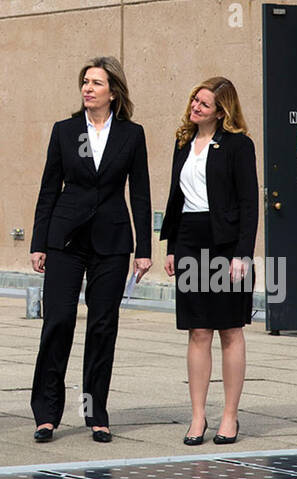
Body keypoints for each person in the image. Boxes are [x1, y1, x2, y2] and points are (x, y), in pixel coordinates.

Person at [30, 56, 152, 445]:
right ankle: (47, 413)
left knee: (103, 326)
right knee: (58, 322)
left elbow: (142, 194)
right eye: (85, 81)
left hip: (112, 241)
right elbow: (49, 188)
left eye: (96, 83)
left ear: (113, 92)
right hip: (65, 239)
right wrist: (38, 242)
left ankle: (96, 411)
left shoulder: (132, 135)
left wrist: (144, 248)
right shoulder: (64, 131)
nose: (87, 88)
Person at [160, 77, 258, 447]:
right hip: (189, 237)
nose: (195, 107)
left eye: (203, 103)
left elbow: (249, 203)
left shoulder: (238, 146)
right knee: (197, 329)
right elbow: (176, 197)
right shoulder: (183, 142)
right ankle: (198, 416)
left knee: (230, 328)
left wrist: (242, 254)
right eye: (193, 100)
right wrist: (170, 245)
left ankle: (230, 417)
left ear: (222, 109)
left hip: (226, 243)